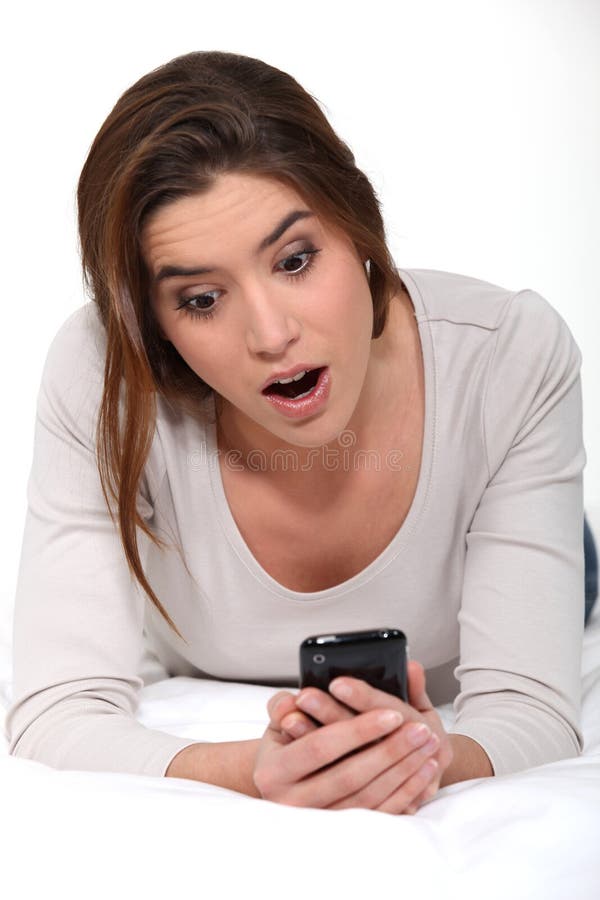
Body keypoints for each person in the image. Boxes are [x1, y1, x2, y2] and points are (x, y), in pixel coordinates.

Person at [5, 50, 596, 816]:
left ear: (358, 227)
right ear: (154, 328)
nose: (272, 333)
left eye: (295, 259)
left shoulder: (509, 354)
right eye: (203, 298)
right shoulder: (103, 375)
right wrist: (258, 770)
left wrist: (426, 757)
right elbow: (58, 711)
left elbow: (533, 708)